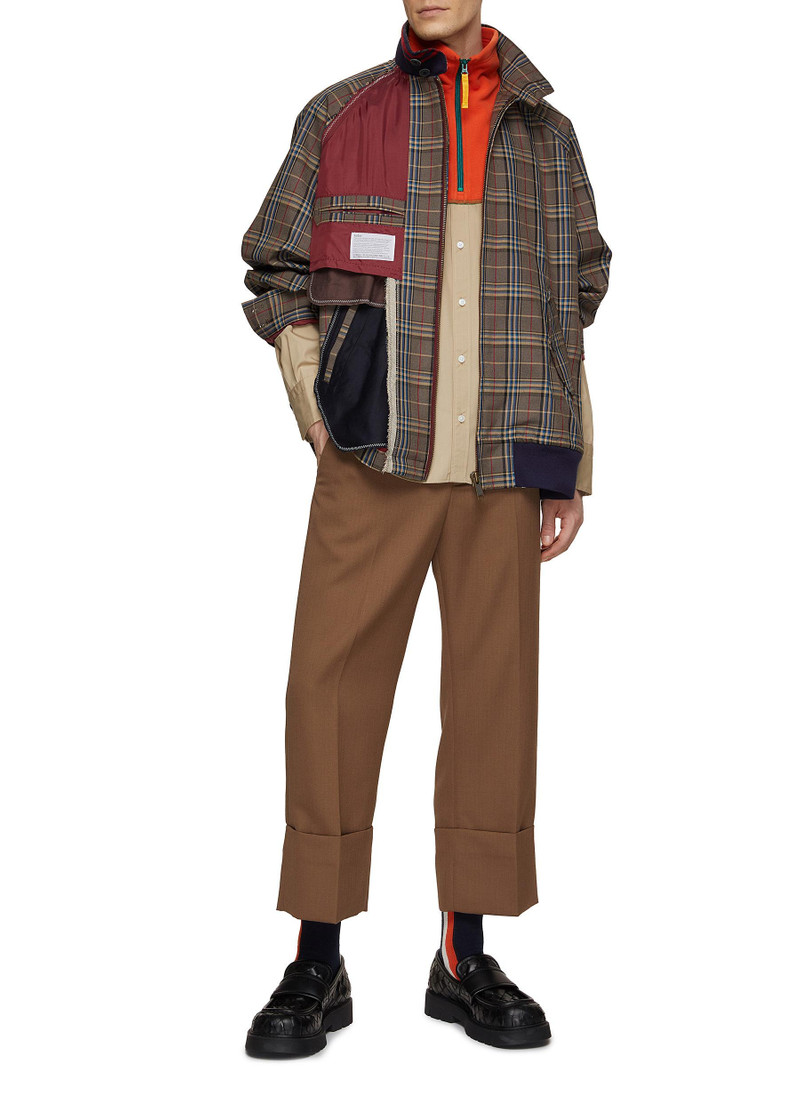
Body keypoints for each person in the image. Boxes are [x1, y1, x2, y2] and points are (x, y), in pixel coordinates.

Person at [239, 0, 611, 1056]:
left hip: (504, 463)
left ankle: (462, 953)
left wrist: (566, 463)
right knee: (329, 693)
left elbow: (570, 300)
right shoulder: (339, 114)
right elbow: (276, 268)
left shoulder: (547, 138)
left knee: (494, 704)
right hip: (372, 454)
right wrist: (316, 405)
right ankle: (317, 956)